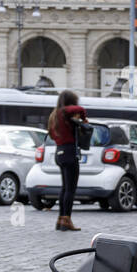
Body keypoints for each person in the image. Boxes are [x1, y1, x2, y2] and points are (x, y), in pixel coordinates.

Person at [47, 90, 88, 231]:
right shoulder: (64, 112)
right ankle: (67, 220)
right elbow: (81, 109)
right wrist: (83, 119)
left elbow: (52, 135)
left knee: (64, 188)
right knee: (70, 188)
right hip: (70, 152)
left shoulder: (54, 115)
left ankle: (60, 219)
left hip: (59, 152)